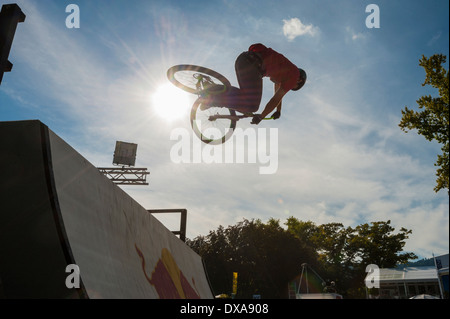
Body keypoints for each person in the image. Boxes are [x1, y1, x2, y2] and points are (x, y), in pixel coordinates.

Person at [199, 43, 307, 125]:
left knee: (246, 98)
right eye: (293, 87)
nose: (290, 87)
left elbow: (277, 93)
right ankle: (213, 99)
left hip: (244, 60)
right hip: (253, 64)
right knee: (252, 105)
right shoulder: (295, 76)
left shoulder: (286, 70)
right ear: (300, 81)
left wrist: (278, 110)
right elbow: (276, 99)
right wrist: (261, 116)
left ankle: (213, 89)